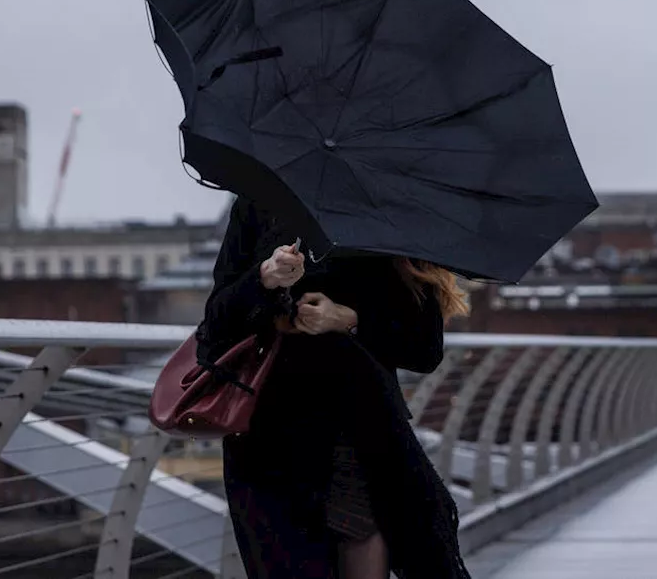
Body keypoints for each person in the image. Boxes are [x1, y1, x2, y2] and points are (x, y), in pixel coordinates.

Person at [195, 196, 473, 579]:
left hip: (359, 440)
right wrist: (265, 277)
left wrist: (349, 319)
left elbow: (424, 348)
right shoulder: (258, 203)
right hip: (268, 442)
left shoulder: (388, 210)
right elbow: (215, 326)